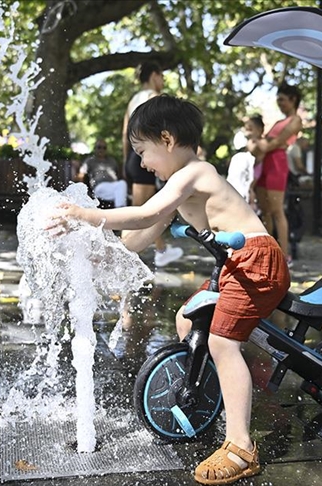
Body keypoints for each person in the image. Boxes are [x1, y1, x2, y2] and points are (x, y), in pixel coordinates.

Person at [52, 95, 290, 485]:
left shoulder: (196, 172)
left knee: (221, 342)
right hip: (234, 265)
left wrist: (85, 215)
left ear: (166, 138)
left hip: (257, 261)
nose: (142, 163)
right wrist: (99, 254)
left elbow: (144, 213)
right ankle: (208, 394)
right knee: (186, 321)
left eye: (143, 152)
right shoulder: (179, 185)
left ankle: (241, 445)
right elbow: (141, 235)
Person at [122, 61, 183, 267]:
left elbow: (125, 134)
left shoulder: (133, 100)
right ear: (154, 75)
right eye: (162, 77)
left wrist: (127, 161)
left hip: (134, 156)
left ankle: (156, 250)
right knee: (142, 211)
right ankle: (129, 253)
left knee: (143, 208)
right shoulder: (153, 99)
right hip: (147, 156)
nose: (163, 81)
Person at [253, 83, 303, 263]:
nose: (279, 103)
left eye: (282, 99)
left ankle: (284, 255)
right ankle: (268, 251)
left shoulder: (295, 120)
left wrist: (263, 144)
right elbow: (264, 144)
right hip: (264, 163)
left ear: (293, 99)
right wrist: (263, 145)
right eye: (278, 100)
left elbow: (273, 143)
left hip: (277, 163)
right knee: (265, 211)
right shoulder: (278, 122)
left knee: (277, 211)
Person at [226, 115, 264, 212]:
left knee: (248, 190)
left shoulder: (258, 143)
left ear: (259, 130)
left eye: (250, 129)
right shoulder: (247, 143)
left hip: (254, 171)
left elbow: (255, 158)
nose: (247, 132)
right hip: (246, 171)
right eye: (246, 129)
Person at [75, 139, 128, 208]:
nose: (101, 150)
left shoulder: (112, 161)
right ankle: (121, 212)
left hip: (114, 187)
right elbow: (81, 175)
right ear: (95, 148)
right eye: (99, 147)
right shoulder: (90, 161)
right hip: (99, 187)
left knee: (121, 186)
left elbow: (119, 175)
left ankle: (119, 211)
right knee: (122, 188)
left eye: (104, 148)